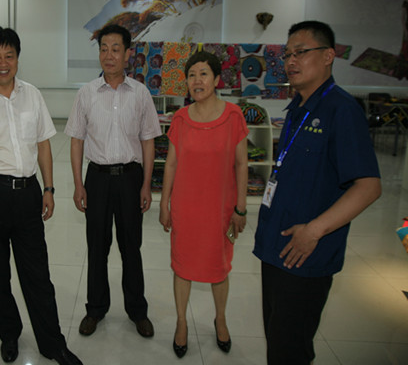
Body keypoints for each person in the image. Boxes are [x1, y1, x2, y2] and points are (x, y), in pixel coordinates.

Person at [0, 25, 82, 365]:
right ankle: (9, 334)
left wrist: (49, 188)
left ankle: (52, 344)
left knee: (37, 274)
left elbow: (43, 145)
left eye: (9, 56)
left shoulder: (32, 95)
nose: (3, 63)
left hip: (27, 195)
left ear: (18, 58)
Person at [253, 21, 382, 365]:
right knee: (277, 340)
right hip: (276, 247)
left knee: (291, 349)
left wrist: (314, 231)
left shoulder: (342, 110)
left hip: (305, 255)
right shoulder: (297, 108)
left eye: (301, 52)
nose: (291, 61)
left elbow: (369, 186)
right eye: (287, 54)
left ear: (328, 56)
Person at [65, 24, 161, 338]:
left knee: (131, 247)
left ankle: (137, 311)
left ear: (128, 53)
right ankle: (96, 309)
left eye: (116, 49)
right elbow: (76, 140)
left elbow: (148, 141)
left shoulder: (141, 93)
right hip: (98, 179)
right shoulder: (86, 93)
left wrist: (146, 184)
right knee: (97, 247)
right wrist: (78, 184)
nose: (109, 55)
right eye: (104, 49)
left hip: (131, 179)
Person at [159, 51, 248, 358]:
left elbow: (241, 164)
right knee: (182, 267)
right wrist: (164, 204)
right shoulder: (180, 119)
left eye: (204, 74)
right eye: (192, 75)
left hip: (219, 210)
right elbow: (171, 164)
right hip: (186, 209)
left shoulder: (233, 116)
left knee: (218, 268)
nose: (197, 80)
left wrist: (240, 208)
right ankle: (181, 322)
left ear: (217, 79)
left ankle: (220, 319)